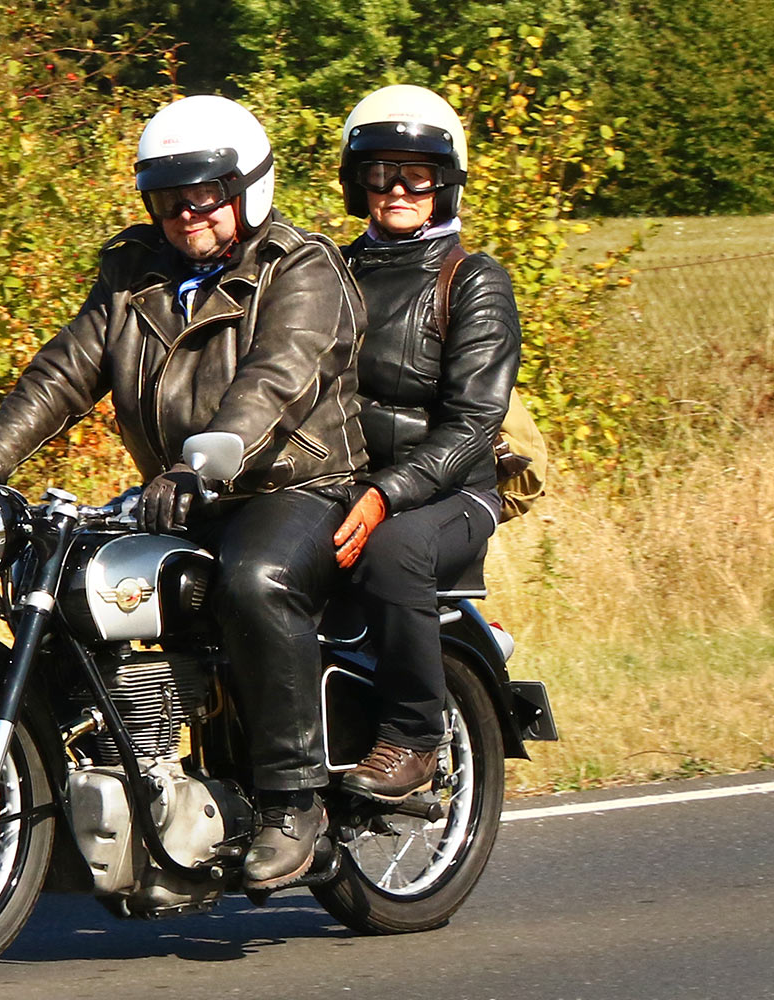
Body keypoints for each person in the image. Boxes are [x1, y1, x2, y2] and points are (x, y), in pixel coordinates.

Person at [0, 95, 367, 888]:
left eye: (203, 193)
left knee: (252, 579)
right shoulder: (135, 273)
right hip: (184, 491)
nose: (185, 212)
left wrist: (196, 467)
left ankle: (293, 803)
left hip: (295, 485)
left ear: (248, 187)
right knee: (68, 586)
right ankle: (116, 784)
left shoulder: (301, 268)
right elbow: (65, 371)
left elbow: (272, 382)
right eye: (169, 197)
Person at [331, 85, 521, 802]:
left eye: (417, 173)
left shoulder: (472, 281)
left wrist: (388, 493)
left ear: (445, 181)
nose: (398, 188)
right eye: (381, 172)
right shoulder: (333, 272)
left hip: (452, 492)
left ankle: (413, 737)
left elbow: (473, 423)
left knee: (394, 549)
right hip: (347, 482)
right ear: (359, 183)